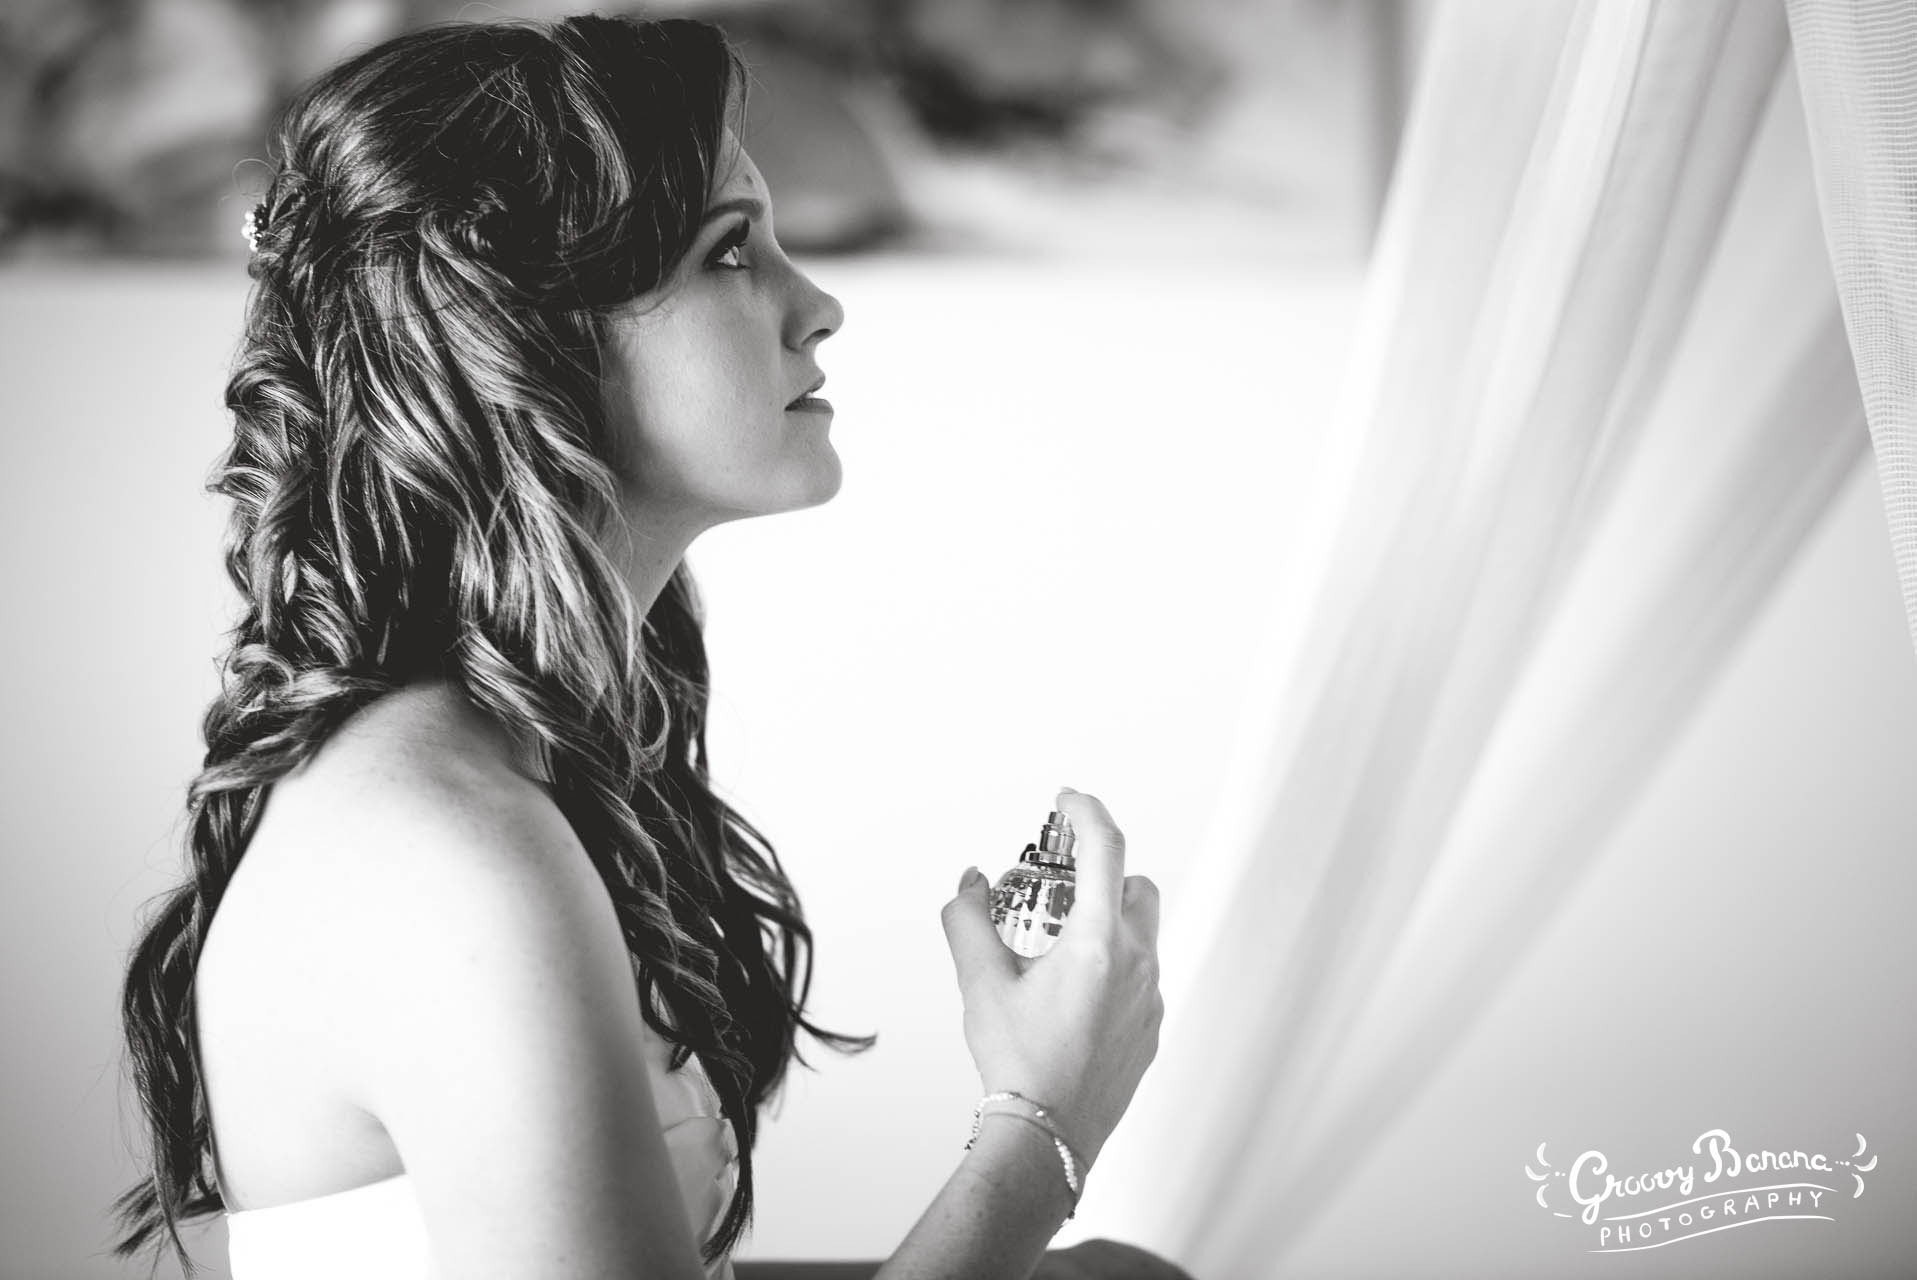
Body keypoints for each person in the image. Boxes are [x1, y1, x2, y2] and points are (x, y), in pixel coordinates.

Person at [111, 14, 1178, 1280]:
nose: (819, 306)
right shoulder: (447, 850)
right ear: (524, 337)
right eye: (733, 252)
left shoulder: (528, 766)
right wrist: (1042, 1123)